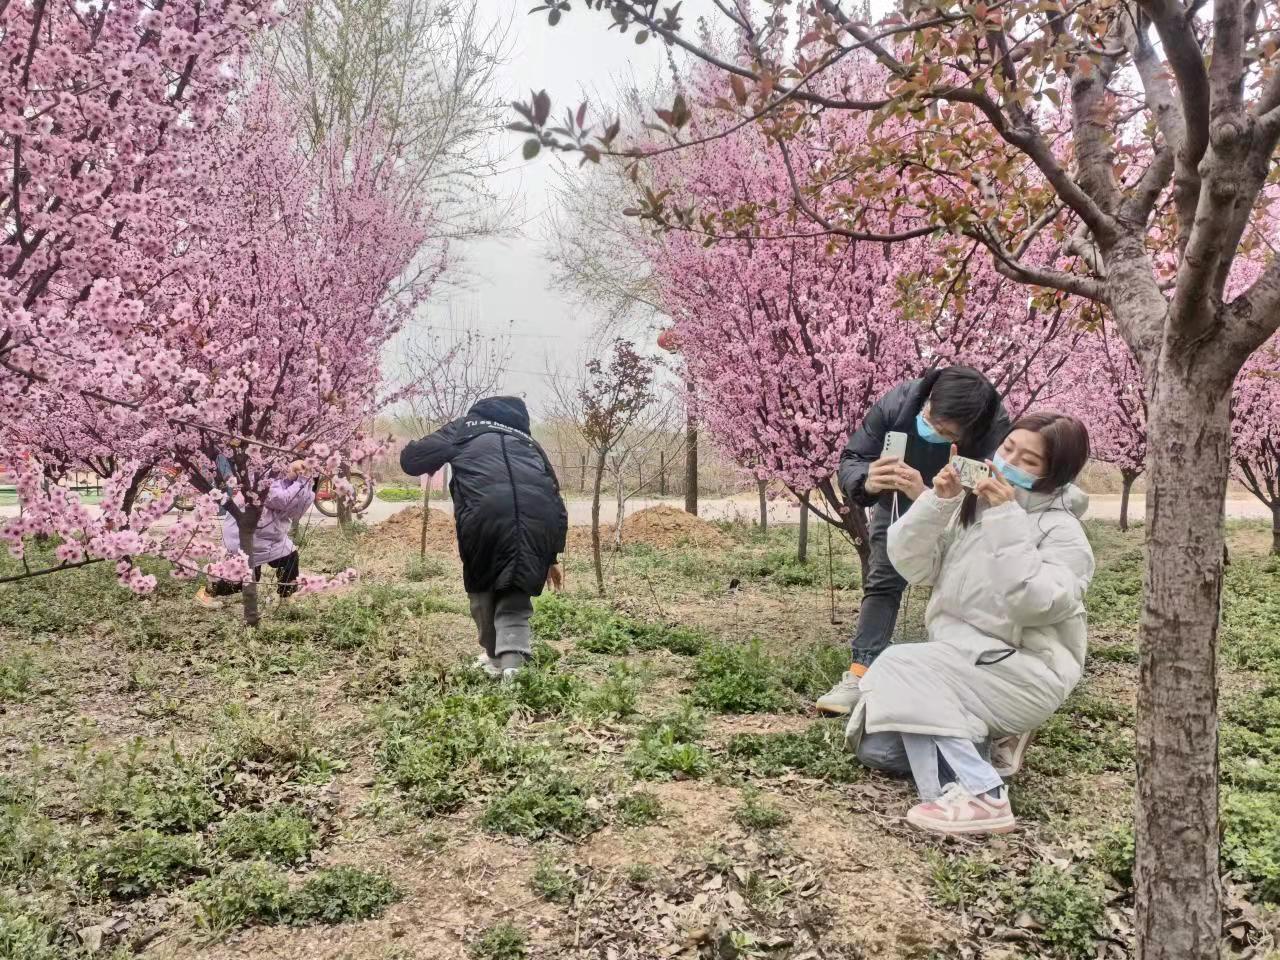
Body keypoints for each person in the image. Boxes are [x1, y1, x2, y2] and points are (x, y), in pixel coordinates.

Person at [845, 412, 1094, 835]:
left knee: (896, 666)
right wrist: (938, 502)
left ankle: (983, 795)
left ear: (1054, 475)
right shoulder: (973, 510)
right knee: (879, 747)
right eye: (1008, 448)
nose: (1010, 461)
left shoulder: (1062, 533)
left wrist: (1004, 516)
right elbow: (912, 565)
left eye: (1029, 460)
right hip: (960, 663)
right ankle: (989, 742)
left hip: (1023, 670)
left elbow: (1033, 603)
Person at [816, 366, 1011, 715]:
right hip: (896, 503)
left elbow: (988, 489)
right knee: (882, 584)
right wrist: (868, 481)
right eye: (930, 418)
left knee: (965, 586)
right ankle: (860, 675)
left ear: (969, 431)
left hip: (961, 511)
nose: (931, 429)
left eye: (945, 431)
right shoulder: (900, 404)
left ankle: (971, 679)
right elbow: (854, 457)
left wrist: (931, 497)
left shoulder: (993, 429)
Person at [400, 396, 568, 681]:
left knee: (483, 593)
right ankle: (513, 665)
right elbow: (552, 493)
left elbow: (412, 462)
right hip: (541, 521)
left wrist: (418, 449)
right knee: (515, 592)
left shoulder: (465, 428)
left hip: (485, 517)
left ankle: (494, 657)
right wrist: (550, 555)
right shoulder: (529, 443)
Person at [195, 461, 314, 607]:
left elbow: (298, 511)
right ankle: (207, 592)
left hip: (269, 535)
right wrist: (301, 481)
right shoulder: (262, 476)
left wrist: (303, 482)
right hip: (244, 534)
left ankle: (286, 597)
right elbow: (280, 500)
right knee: (247, 577)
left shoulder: (290, 481)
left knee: (290, 558)